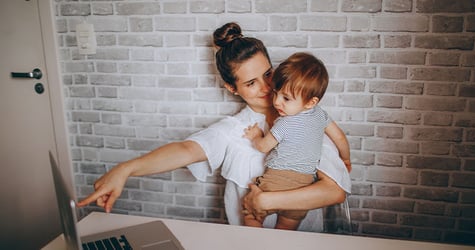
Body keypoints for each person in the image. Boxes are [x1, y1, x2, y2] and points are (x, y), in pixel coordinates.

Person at [77, 22, 351, 232]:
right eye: (251, 82)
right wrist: (125, 169)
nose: (267, 88)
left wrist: (266, 202)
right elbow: (185, 150)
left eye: (268, 74)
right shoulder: (234, 130)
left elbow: (334, 191)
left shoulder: (307, 119)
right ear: (233, 88)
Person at [242, 52, 351, 230]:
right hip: (302, 190)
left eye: (286, 98)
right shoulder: (321, 115)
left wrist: (256, 136)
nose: (277, 102)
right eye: (276, 93)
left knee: (250, 213)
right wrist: (346, 159)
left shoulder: (283, 124)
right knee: (285, 232)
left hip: (274, 183)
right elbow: (339, 137)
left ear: (310, 102)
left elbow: (263, 147)